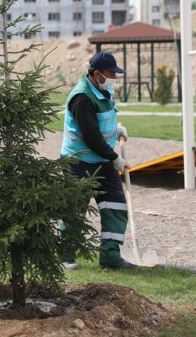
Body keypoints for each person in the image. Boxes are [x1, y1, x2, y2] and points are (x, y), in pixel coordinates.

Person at [60, 51, 134, 270]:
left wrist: (116, 128)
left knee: (115, 205)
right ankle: (64, 257)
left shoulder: (103, 91)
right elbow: (91, 136)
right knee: (75, 211)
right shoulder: (81, 98)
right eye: (111, 73)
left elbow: (102, 123)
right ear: (97, 73)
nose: (114, 78)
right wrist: (115, 158)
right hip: (78, 162)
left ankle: (111, 258)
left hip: (101, 161)